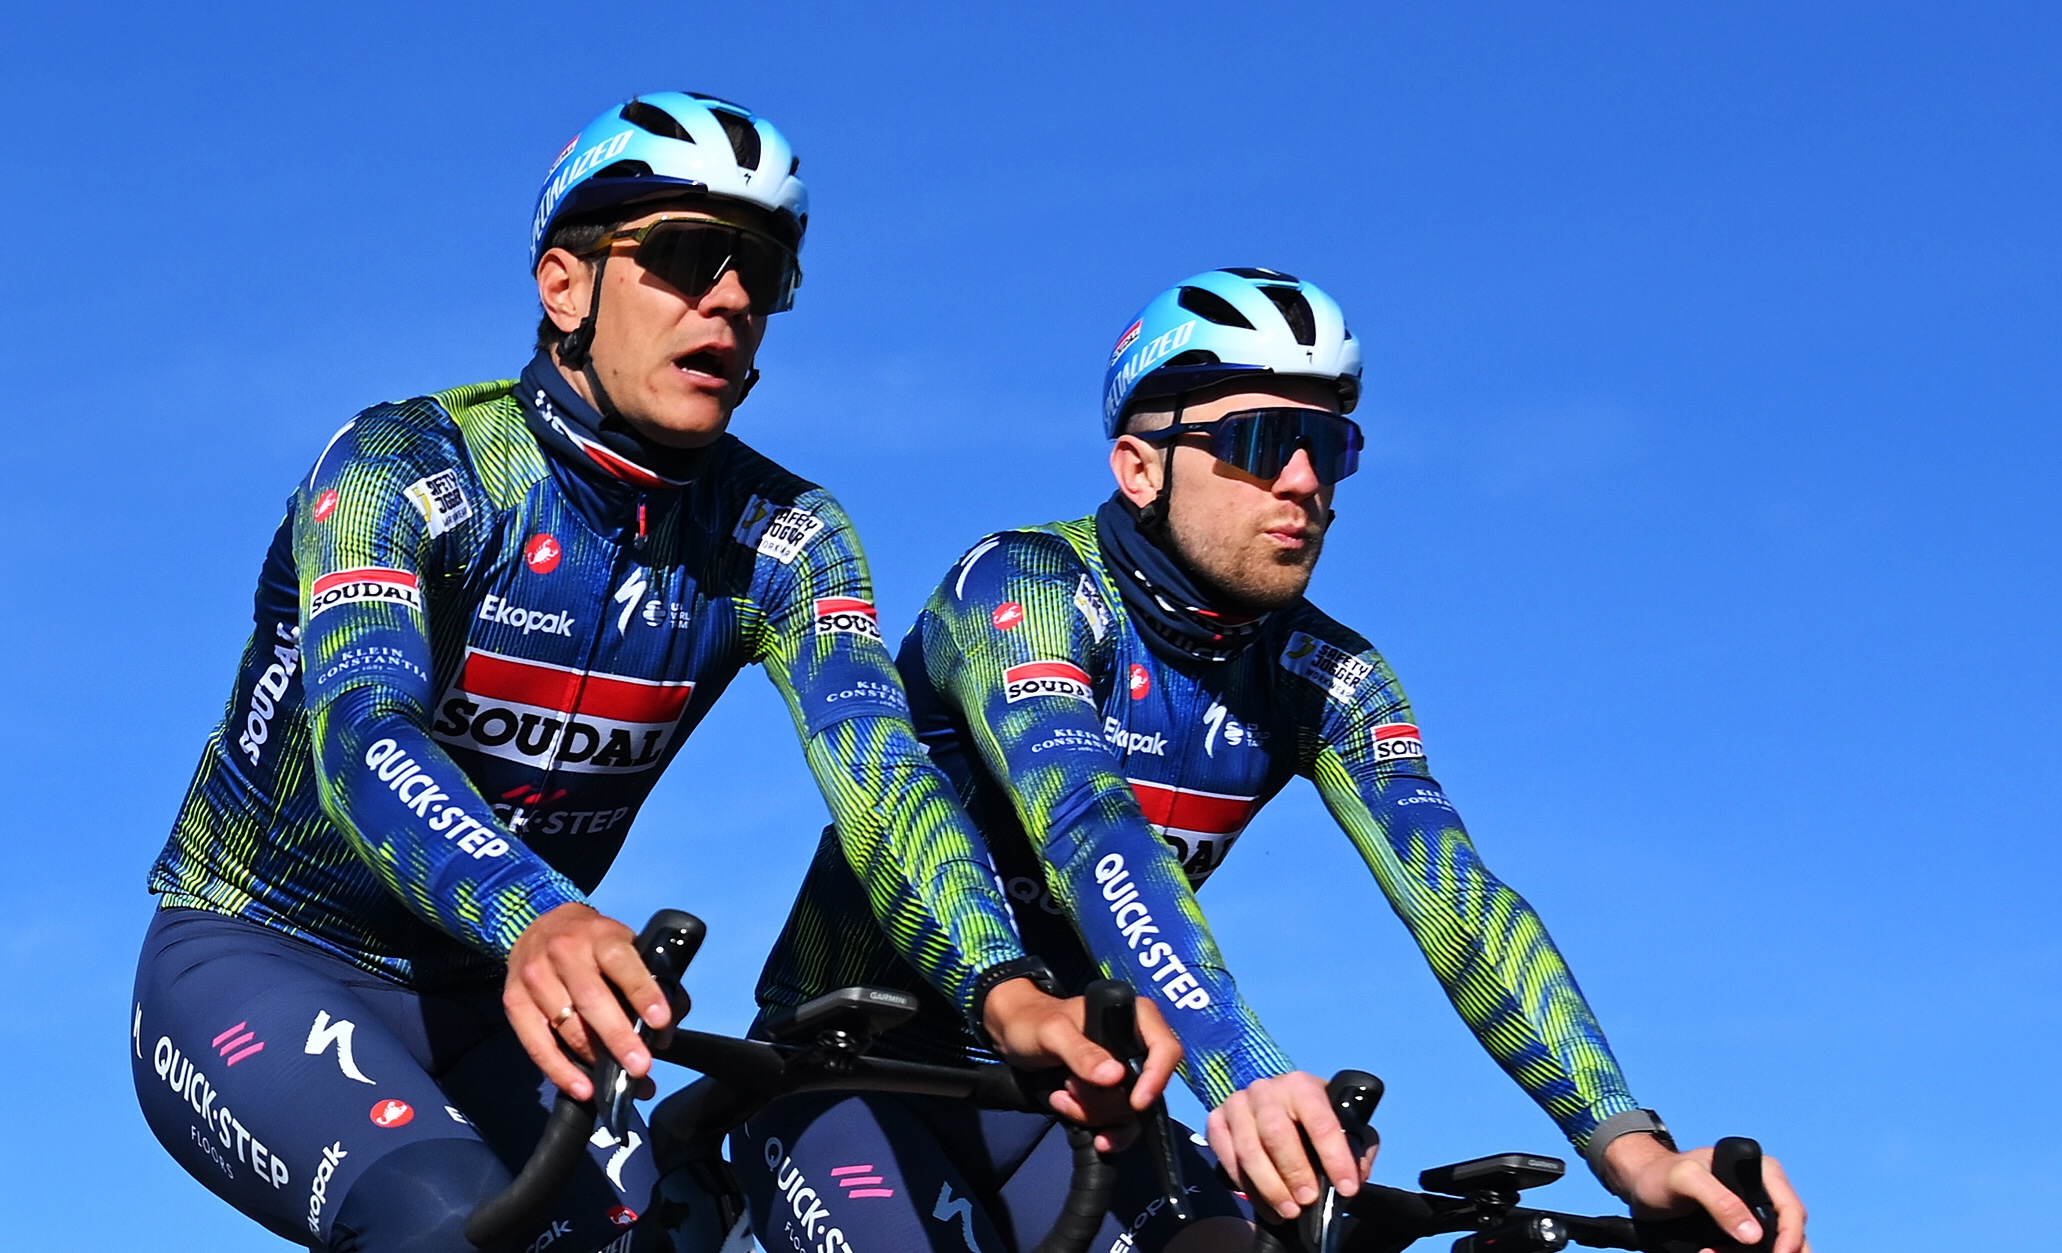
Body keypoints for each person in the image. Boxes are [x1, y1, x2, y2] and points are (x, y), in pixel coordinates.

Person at [130, 92, 1170, 1253]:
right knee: (437, 1220)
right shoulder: (405, 464)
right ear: (563, 285)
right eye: (683, 257)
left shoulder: (785, 536)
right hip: (268, 951)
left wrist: (1001, 985)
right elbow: (362, 732)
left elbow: (886, 782)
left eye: (761, 273)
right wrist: (538, 910)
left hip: (509, 1004)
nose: (728, 299)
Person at [744, 268, 1812, 1253]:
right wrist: (1243, 1071)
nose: (1302, 480)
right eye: (1258, 441)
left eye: (1327, 445)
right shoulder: (1022, 584)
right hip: (853, 1064)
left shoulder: (1330, 674)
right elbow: (1088, 822)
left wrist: (1631, 1148)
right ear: (1140, 466)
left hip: (1088, 1099)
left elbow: (1463, 903)